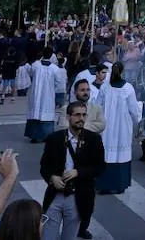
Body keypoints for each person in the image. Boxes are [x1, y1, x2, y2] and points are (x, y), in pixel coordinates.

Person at [41, 101, 107, 240]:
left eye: (84, 115)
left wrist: (79, 172)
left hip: (78, 197)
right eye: (77, 115)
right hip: (55, 196)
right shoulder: (54, 138)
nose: (81, 118)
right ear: (68, 117)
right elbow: (44, 166)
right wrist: (52, 178)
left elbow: (100, 166)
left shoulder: (94, 139)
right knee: (48, 236)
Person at [93, 61, 141, 195]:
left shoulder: (104, 87)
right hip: (122, 127)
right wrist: (137, 120)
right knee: (121, 155)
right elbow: (134, 110)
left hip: (107, 126)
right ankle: (120, 185)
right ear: (122, 71)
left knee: (106, 154)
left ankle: (104, 185)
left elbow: (98, 105)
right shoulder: (128, 88)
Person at [26, 51, 68, 143]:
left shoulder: (35, 65)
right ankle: (47, 136)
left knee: (36, 114)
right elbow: (59, 82)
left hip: (36, 94)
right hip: (48, 95)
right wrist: (54, 90)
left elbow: (30, 73)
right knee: (46, 116)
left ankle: (35, 136)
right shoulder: (54, 68)